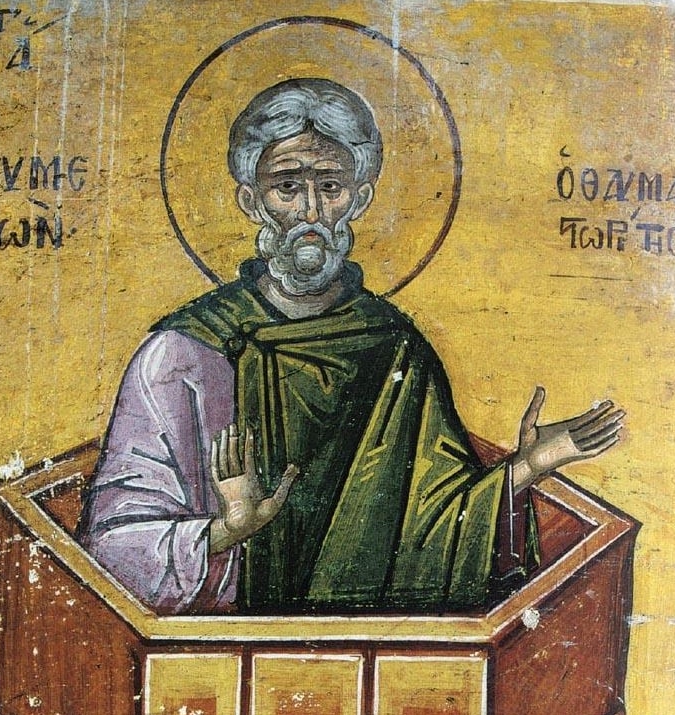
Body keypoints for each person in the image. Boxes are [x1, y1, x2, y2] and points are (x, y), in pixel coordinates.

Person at [77, 79, 623, 615]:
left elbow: (439, 526)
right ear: (251, 200)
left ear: (359, 198)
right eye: (287, 187)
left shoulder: (397, 348)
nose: (311, 213)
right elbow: (112, 551)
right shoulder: (184, 355)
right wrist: (226, 531)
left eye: (331, 186)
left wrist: (530, 466)